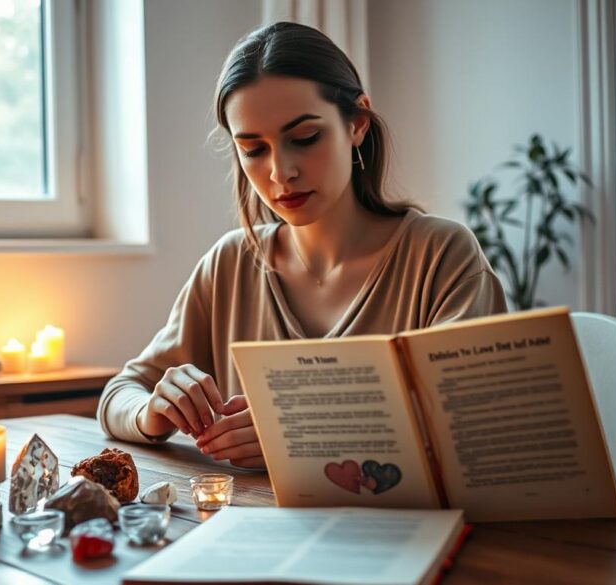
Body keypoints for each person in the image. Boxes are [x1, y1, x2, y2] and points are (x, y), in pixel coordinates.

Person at [96, 22, 507, 468]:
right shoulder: (229, 264)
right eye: (253, 150)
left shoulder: (441, 255)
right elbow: (118, 396)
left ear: (357, 123)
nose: (280, 172)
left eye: (304, 138)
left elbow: (472, 421)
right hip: (248, 530)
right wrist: (155, 411)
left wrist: (297, 433)